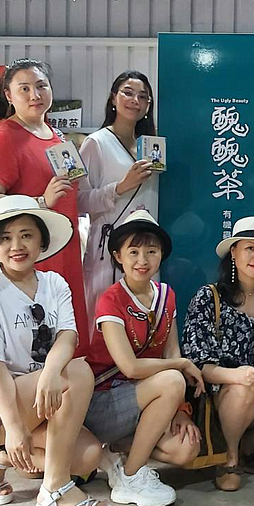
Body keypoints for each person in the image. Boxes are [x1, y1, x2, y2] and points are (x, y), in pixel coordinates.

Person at [0, 195, 112, 506]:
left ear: (41, 241)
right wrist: (15, 428)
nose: (16, 246)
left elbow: (67, 336)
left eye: (26, 235)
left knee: (88, 458)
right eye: (5, 238)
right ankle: (55, 493)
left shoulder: (54, 283)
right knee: (78, 372)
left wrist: (51, 371)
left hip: (35, 392)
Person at [76, 210, 204, 506]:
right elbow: (130, 367)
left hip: (144, 399)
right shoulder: (110, 299)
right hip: (101, 402)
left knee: (186, 449)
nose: (142, 260)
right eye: (133, 252)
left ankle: (116, 453)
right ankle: (132, 477)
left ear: (161, 255)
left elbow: (172, 351)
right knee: (172, 379)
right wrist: (181, 366)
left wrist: (180, 409)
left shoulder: (166, 295)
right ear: (118, 256)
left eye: (151, 251)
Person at [0, 59, 90, 347]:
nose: (34, 95)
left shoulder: (57, 137)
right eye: (24, 88)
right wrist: (40, 202)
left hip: (59, 251)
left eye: (41, 86)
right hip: (23, 258)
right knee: (27, 349)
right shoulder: (4, 139)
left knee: (64, 342)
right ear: (9, 95)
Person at [181, 216, 254, 491]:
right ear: (233, 252)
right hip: (221, 392)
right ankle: (230, 460)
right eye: (250, 248)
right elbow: (198, 364)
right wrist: (239, 376)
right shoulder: (208, 297)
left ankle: (246, 444)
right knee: (245, 387)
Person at [78, 70, 158, 340]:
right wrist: (120, 187)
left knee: (144, 316)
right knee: (105, 320)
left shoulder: (150, 147)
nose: (135, 100)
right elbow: (79, 200)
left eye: (143, 97)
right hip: (108, 249)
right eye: (128, 93)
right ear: (113, 98)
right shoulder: (96, 143)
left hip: (145, 247)